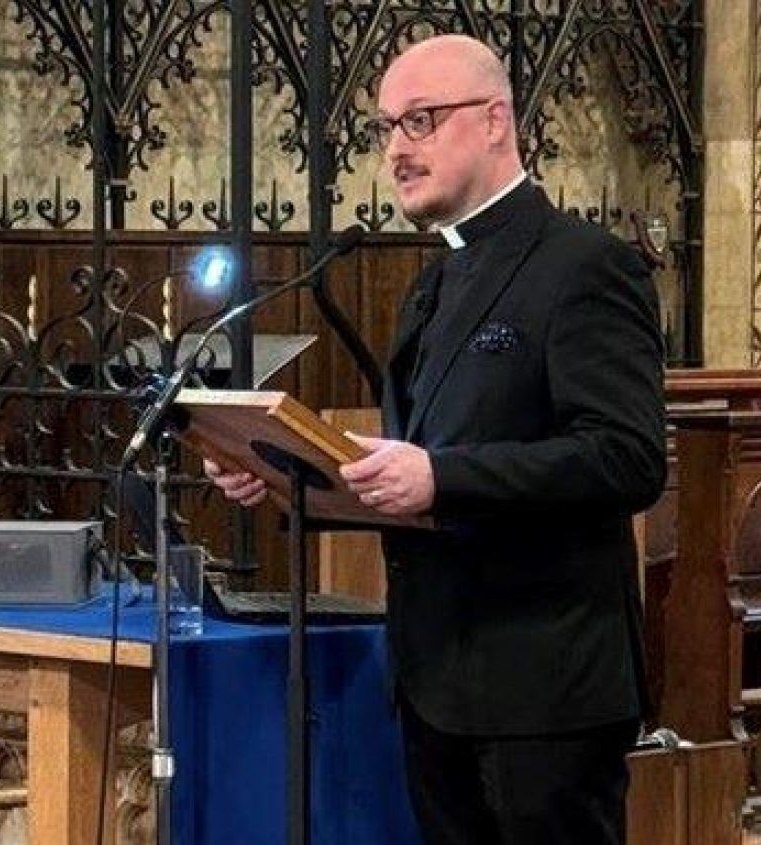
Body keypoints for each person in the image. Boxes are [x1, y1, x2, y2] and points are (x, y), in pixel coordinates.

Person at [203, 34, 666, 845]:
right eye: (385, 129)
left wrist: (442, 477)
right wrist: (276, 475)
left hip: (542, 684)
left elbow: (626, 458)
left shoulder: (583, 265)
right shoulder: (432, 282)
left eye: (419, 121)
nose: (395, 151)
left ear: (494, 121)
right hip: (433, 675)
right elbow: (407, 481)